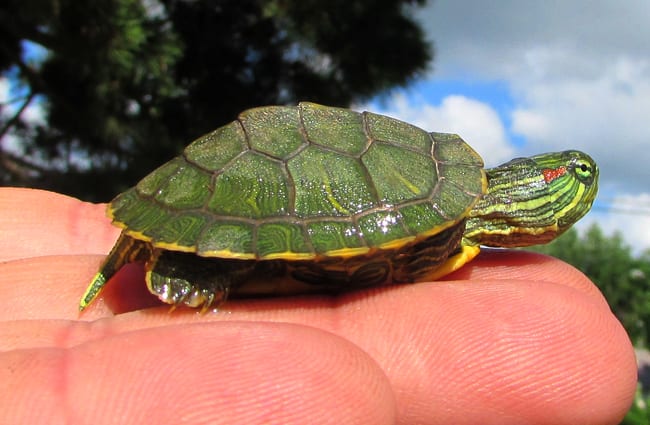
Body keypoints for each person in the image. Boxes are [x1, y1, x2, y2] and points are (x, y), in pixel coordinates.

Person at [0, 187, 637, 424]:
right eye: (558, 183)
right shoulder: (446, 205)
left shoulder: (458, 224)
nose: (574, 186)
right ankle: (183, 251)